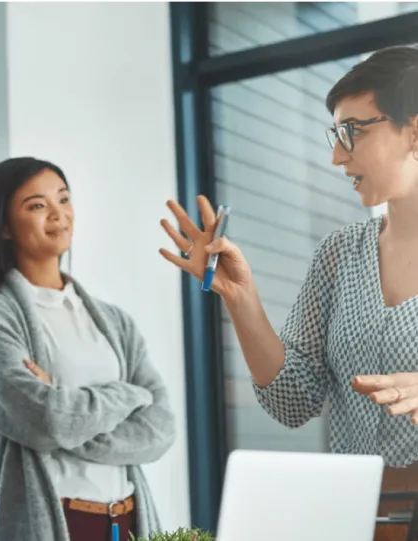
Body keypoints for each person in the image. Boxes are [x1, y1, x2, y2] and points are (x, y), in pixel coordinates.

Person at [159, 45, 418, 541]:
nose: (336, 155)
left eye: (352, 132)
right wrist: (240, 297)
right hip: (354, 519)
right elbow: (292, 401)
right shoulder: (339, 254)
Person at [0, 157, 175, 541]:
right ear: (4, 227)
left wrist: (66, 407)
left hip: (126, 521)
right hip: (55, 521)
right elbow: (48, 422)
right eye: (38, 206)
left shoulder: (114, 321)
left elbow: (160, 430)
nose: (58, 215)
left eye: (63, 199)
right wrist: (130, 396)